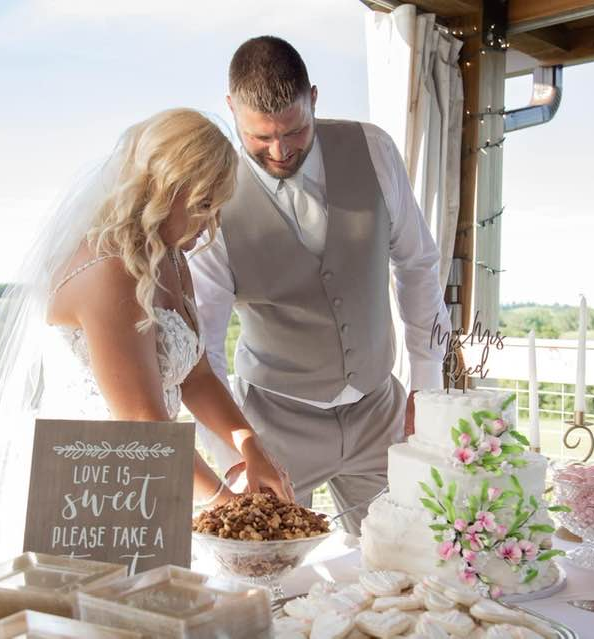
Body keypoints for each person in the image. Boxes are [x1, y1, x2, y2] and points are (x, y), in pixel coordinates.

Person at [0, 109, 293, 564]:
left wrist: (250, 447)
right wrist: (226, 503)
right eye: (204, 206)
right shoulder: (109, 268)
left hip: (147, 479)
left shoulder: (170, 259)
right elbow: (143, 422)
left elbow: (198, 376)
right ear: (164, 188)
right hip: (87, 493)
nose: (211, 225)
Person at [189, 37, 450, 534]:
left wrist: (426, 387)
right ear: (230, 110)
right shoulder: (212, 197)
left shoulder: (372, 149)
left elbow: (417, 265)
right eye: (260, 138)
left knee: (408, 557)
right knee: (273, 582)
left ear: (313, 97)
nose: (280, 150)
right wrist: (234, 457)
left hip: (380, 411)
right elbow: (205, 349)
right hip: (273, 423)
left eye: (294, 130)